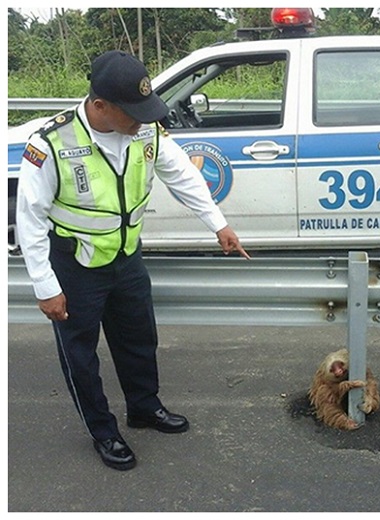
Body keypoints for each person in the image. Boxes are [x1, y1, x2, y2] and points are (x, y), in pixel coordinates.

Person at [15, 50, 251, 471]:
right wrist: (45, 286)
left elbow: (181, 173)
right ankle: (103, 431)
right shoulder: (52, 143)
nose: (142, 121)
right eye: (133, 113)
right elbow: (29, 218)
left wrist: (218, 224)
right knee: (81, 356)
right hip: (75, 267)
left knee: (139, 339)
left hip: (126, 257)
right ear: (100, 105)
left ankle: (144, 407)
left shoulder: (145, 131)